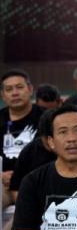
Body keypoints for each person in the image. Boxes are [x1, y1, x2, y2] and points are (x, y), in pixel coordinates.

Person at [0, 69, 45, 208]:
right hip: (4, 184)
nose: (14, 93)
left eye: (19, 87)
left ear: (30, 89)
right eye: (9, 89)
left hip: (37, 182)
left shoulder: (47, 119)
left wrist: (20, 177)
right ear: (3, 95)